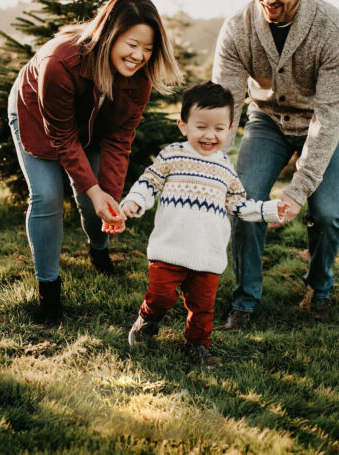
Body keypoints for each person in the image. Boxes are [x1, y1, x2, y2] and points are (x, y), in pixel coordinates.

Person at [8, 0, 183, 324]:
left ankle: (99, 250)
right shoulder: (60, 62)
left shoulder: (140, 77)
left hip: (91, 123)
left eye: (148, 48)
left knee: (97, 201)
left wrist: (108, 197)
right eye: (132, 44)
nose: (139, 56)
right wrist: (91, 186)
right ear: (109, 34)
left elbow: (119, 139)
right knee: (46, 197)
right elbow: (62, 136)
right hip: (37, 116)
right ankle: (49, 292)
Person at [212, 0, 339, 329]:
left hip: (322, 123)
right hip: (268, 122)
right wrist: (215, 161)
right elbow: (225, 101)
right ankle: (245, 300)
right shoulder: (237, 28)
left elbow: (329, 118)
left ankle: (320, 287)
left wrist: (297, 191)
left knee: (326, 214)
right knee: (244, 204)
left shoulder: (337, 31)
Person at [120, 82, 288, 363]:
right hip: (169, 248)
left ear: (230, 129)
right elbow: (149, 181)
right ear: (183, 125)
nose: (210, 135)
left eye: (219, 129)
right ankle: (147, 319)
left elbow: (239, 204)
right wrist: (134, 201)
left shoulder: (225, 167)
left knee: (203, 308)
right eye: (201, 127)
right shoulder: (172, 155)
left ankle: (197, 345)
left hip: (207, 253)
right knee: (160, 296)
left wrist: (270, 210)